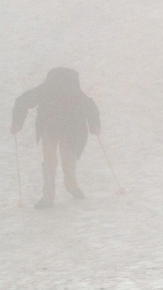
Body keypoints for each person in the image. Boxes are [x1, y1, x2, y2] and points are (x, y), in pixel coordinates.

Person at [12, 67, 101, 209]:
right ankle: (49, 197)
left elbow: (90, 108)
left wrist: (94, 125)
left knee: (66, 162)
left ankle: (71, 187)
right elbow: (23, 101)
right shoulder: (51, 90)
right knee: (50, 163)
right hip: (50, 129)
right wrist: (17, 123)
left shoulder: (68, 92)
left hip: (70, 130)